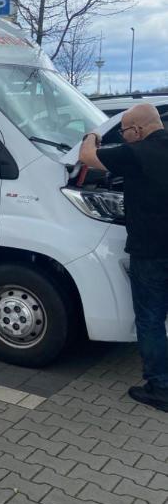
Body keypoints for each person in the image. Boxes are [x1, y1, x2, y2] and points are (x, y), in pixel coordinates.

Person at [80, 102, 168, 412]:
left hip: (151, 251)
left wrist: (92, 133)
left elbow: (86, 158)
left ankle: (160, 388)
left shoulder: (136, 153)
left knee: (151, 320)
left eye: (127, 131)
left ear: (140, 129)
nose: (126, 136)